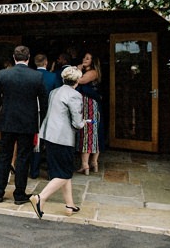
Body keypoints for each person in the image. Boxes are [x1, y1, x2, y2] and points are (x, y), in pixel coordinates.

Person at [0, 46, 45, 205]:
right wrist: (42, 120)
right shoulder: (36, 76)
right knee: (23, 158)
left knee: (4, 156)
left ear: (14, 57)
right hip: (28, 122)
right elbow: (44, 102)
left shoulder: (4, 74)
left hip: (7, 121)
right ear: (28, 57)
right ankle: (19, 194)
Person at [28, 67, 88, 218]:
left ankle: (70, 205)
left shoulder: (54, 92)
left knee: (62, 172)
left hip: (49, 135)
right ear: (77, 80)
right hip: (63, 138)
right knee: (65, 172)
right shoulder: (75, 95)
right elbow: (76, 122)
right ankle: (40, 198)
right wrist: (84, 123)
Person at [30, 53, 62, 179]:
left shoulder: (31, 76)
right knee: (49, 143)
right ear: (46, 62)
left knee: (35, 141)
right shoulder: (53, 77)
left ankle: (33, 171)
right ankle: (50, 173)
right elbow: (58, 94)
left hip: (33, 113)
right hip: (50, 112)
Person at [76, 52, 102, 174]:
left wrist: (77, 69)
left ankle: (85, 164)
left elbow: (79, 81)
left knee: (88, 131)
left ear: (93, 61)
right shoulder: (90, 72)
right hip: (89, 105)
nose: (84, 59)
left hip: (89, 106)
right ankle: (93, 163)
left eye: (88, 58)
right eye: (84, 57)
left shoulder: (92, 72)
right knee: (93, 131)